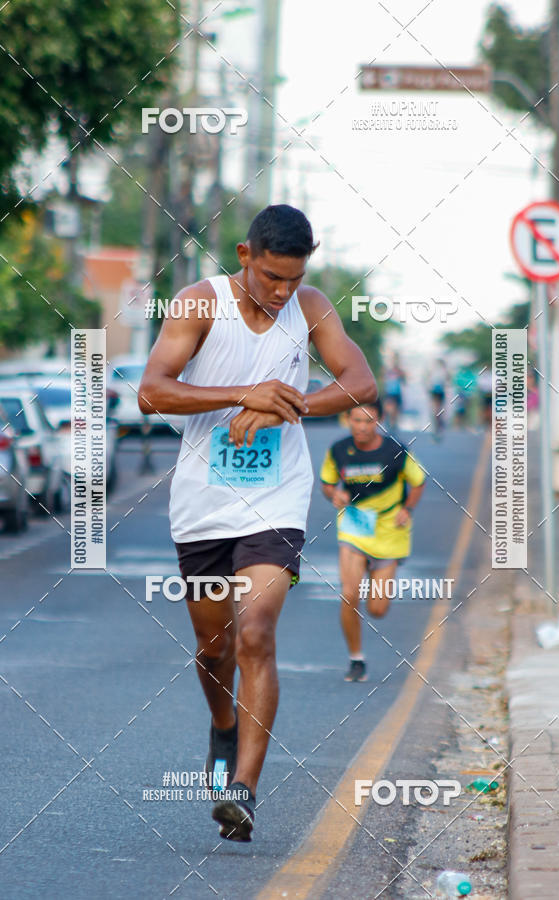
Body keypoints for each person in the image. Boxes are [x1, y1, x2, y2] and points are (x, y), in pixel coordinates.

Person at [138, 204, 376, 842]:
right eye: (271, 277)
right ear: (244, 257)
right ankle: (222, 725)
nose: (282, 291)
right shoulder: (197, 303)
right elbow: (152, 391)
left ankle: (242, 790)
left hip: (276, 499)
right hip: (202, 504)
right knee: (215, 648)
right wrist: (242, 395)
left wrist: (284, 407)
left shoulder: (311, 307)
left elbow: (360, 383)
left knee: (257, 634)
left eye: (293, 279)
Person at [320, 399, 426, 682]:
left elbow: (418, 481)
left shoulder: (396, 450)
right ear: (348, 420)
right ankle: (356, 658)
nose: (362, 427)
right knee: (349, 593)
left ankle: (373, 578)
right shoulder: (339, 450)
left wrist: (408, 509)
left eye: (369, 421)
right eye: (357, 421)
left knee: (378, 609)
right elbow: (327, 483)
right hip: (355, 525)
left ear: (378, 422)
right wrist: (335, 495)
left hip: (389, 529)